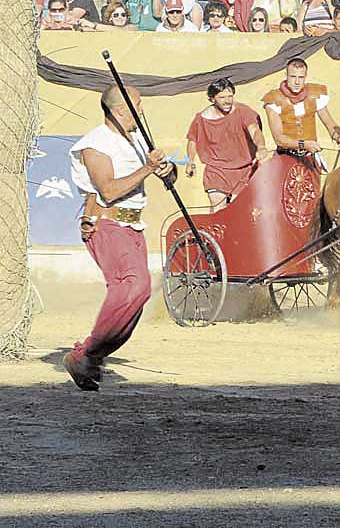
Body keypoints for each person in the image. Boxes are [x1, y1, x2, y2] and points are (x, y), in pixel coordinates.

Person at [63, 85, 175, 391]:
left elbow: (160, 176)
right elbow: (109, 190)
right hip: (107, 223)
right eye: (137, 106)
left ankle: (92, 358)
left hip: (133, 226)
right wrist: (147, 169)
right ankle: (86, 353)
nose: (142, 111)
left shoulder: (137, 139)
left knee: (138, 296)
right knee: (133, 287)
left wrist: (167, 171)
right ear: (119, 110)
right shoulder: (95, 144)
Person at [186, 78, 271, 210]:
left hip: (244, 170)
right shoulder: (202, 118)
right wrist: (190, 161)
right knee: (219, 211)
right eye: (222, 97)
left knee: (241, 211)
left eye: (230, 96)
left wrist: (261, 146)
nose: (227, 101)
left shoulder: (243, 111)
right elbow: (192, 140)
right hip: (217, 170)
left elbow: (255, 131)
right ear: (212, 99)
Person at [262, 58, 340, 168]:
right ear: (286, 75)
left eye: (301, 77)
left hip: (310, 158)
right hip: (285, 158)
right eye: (293, 77)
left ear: (306, 76)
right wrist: (304, 145)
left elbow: (329, 122)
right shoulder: (274, 99)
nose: (297, 82)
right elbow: (279, 138)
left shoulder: (315, 95)